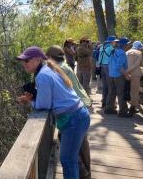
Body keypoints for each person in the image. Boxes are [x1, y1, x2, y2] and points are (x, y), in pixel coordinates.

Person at [16, 46, 90, 179]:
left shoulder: (43, 75)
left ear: (38, 59)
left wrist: (29, 101)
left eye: (26, 60)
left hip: (74, 119)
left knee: (68, 160)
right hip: (78, 115)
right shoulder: (48, 68)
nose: (23, 63)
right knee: (70, 159)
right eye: (22, 61)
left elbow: (44, 105)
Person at [46, 45, 92, 179]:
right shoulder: (64, 65)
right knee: (80, 146)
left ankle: (83, 174)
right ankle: (85, 173)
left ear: (49, 57)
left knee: (70, 154)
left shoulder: (59, 68)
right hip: (80, 105)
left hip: (74, 110)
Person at [105, 37, 132, 117]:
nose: (129, 46)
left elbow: (110, 63)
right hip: (118, 76)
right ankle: (123, 112)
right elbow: (119, 66)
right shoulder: (122, 53)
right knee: (121, 93)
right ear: (125, 45)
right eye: (128, 44)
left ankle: (109, 109)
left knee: (111, 92)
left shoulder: (114, 51)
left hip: (111, 75)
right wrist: (126, 74)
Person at [97, 36, 119, 108]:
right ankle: (110, 104)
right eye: (115, 41)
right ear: (112, 42)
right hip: (108, 67)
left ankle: (104, 101)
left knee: (105, 85)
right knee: (110, 86)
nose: (115, 43)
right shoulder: (111, 48)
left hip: (102, 66)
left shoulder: (102, 47)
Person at [126, 41, 143, 115]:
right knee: (134, 91)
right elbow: (137, 64)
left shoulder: (127, 52)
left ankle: (125, 106)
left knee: (127, 90)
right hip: (135, 74)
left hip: (126, 74)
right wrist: (128, 70)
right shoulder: (139, 53)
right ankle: (132, 108)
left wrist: (126, 72)